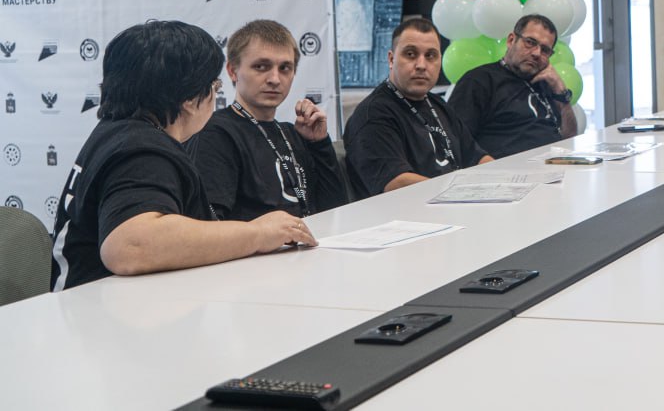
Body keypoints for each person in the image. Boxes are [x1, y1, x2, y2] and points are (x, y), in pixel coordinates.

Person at [51, 21, 316, 291]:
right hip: (99, 309)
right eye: (214, 86)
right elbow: (131, 245)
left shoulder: (119, 132)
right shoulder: (143, 150)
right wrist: (258, 233)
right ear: (190, 98)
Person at [187, 20, 347, 221]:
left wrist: (319, 144)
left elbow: (335, 210)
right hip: (262, 242)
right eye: (261, 67)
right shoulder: (216, 133)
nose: (275, 79)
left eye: (285, 68)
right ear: (232, 71)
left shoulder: (293, 133)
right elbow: (211, 224)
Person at [344, 17, 492, 198]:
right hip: (408, 210)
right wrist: (460, 191)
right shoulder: (373, 115)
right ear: (391, 59)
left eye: (430, 56)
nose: (421, 65)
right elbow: (396, 183)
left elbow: (476, 157)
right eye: (410, 54)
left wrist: (500, 179)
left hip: (454, 201)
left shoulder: (437, 104)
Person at [448, 14, 579, 158]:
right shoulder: (479, 81)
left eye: (545, 50)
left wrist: (560, 91)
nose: (537, 53)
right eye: (530, 42)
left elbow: (569, 137)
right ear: (511, 40)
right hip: (506, 168)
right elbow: (455, 143)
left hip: (554, 164)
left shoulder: (545, 82)